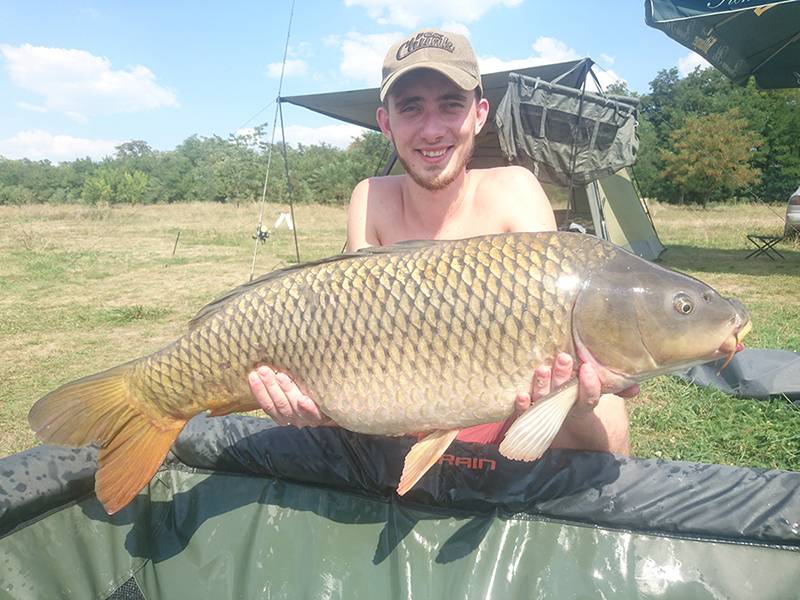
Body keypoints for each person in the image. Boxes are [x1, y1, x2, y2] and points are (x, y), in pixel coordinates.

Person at [247, 29, 636, 453]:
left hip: (506, 404)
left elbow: (550, 324)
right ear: (385, 123)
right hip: (396, 400)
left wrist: (570, 394)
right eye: (411, 109)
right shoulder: (370, 198)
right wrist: (321, 403)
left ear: (480, 114)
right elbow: (352, 338)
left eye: (451, 105)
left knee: (610, 417)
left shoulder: (516, 191)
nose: (432, 131)